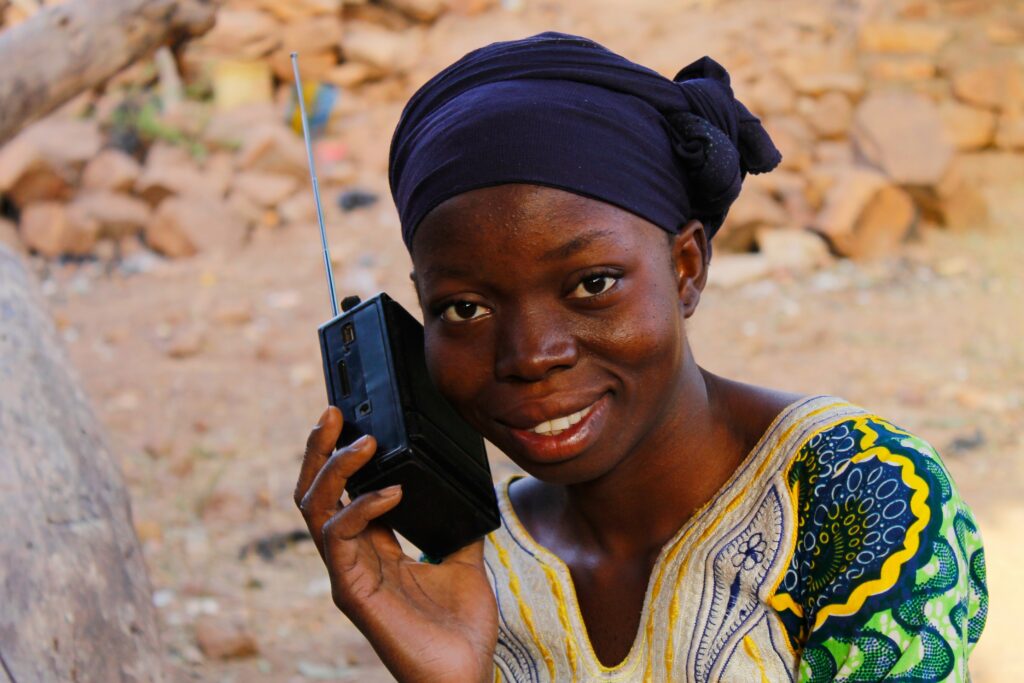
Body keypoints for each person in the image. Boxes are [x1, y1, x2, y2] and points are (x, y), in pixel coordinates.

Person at [294, 32, 987, 682]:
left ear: (686, 266)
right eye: (465, 308)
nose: (532, 356)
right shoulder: (478, 568)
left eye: (592, 284)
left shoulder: (854, 494)